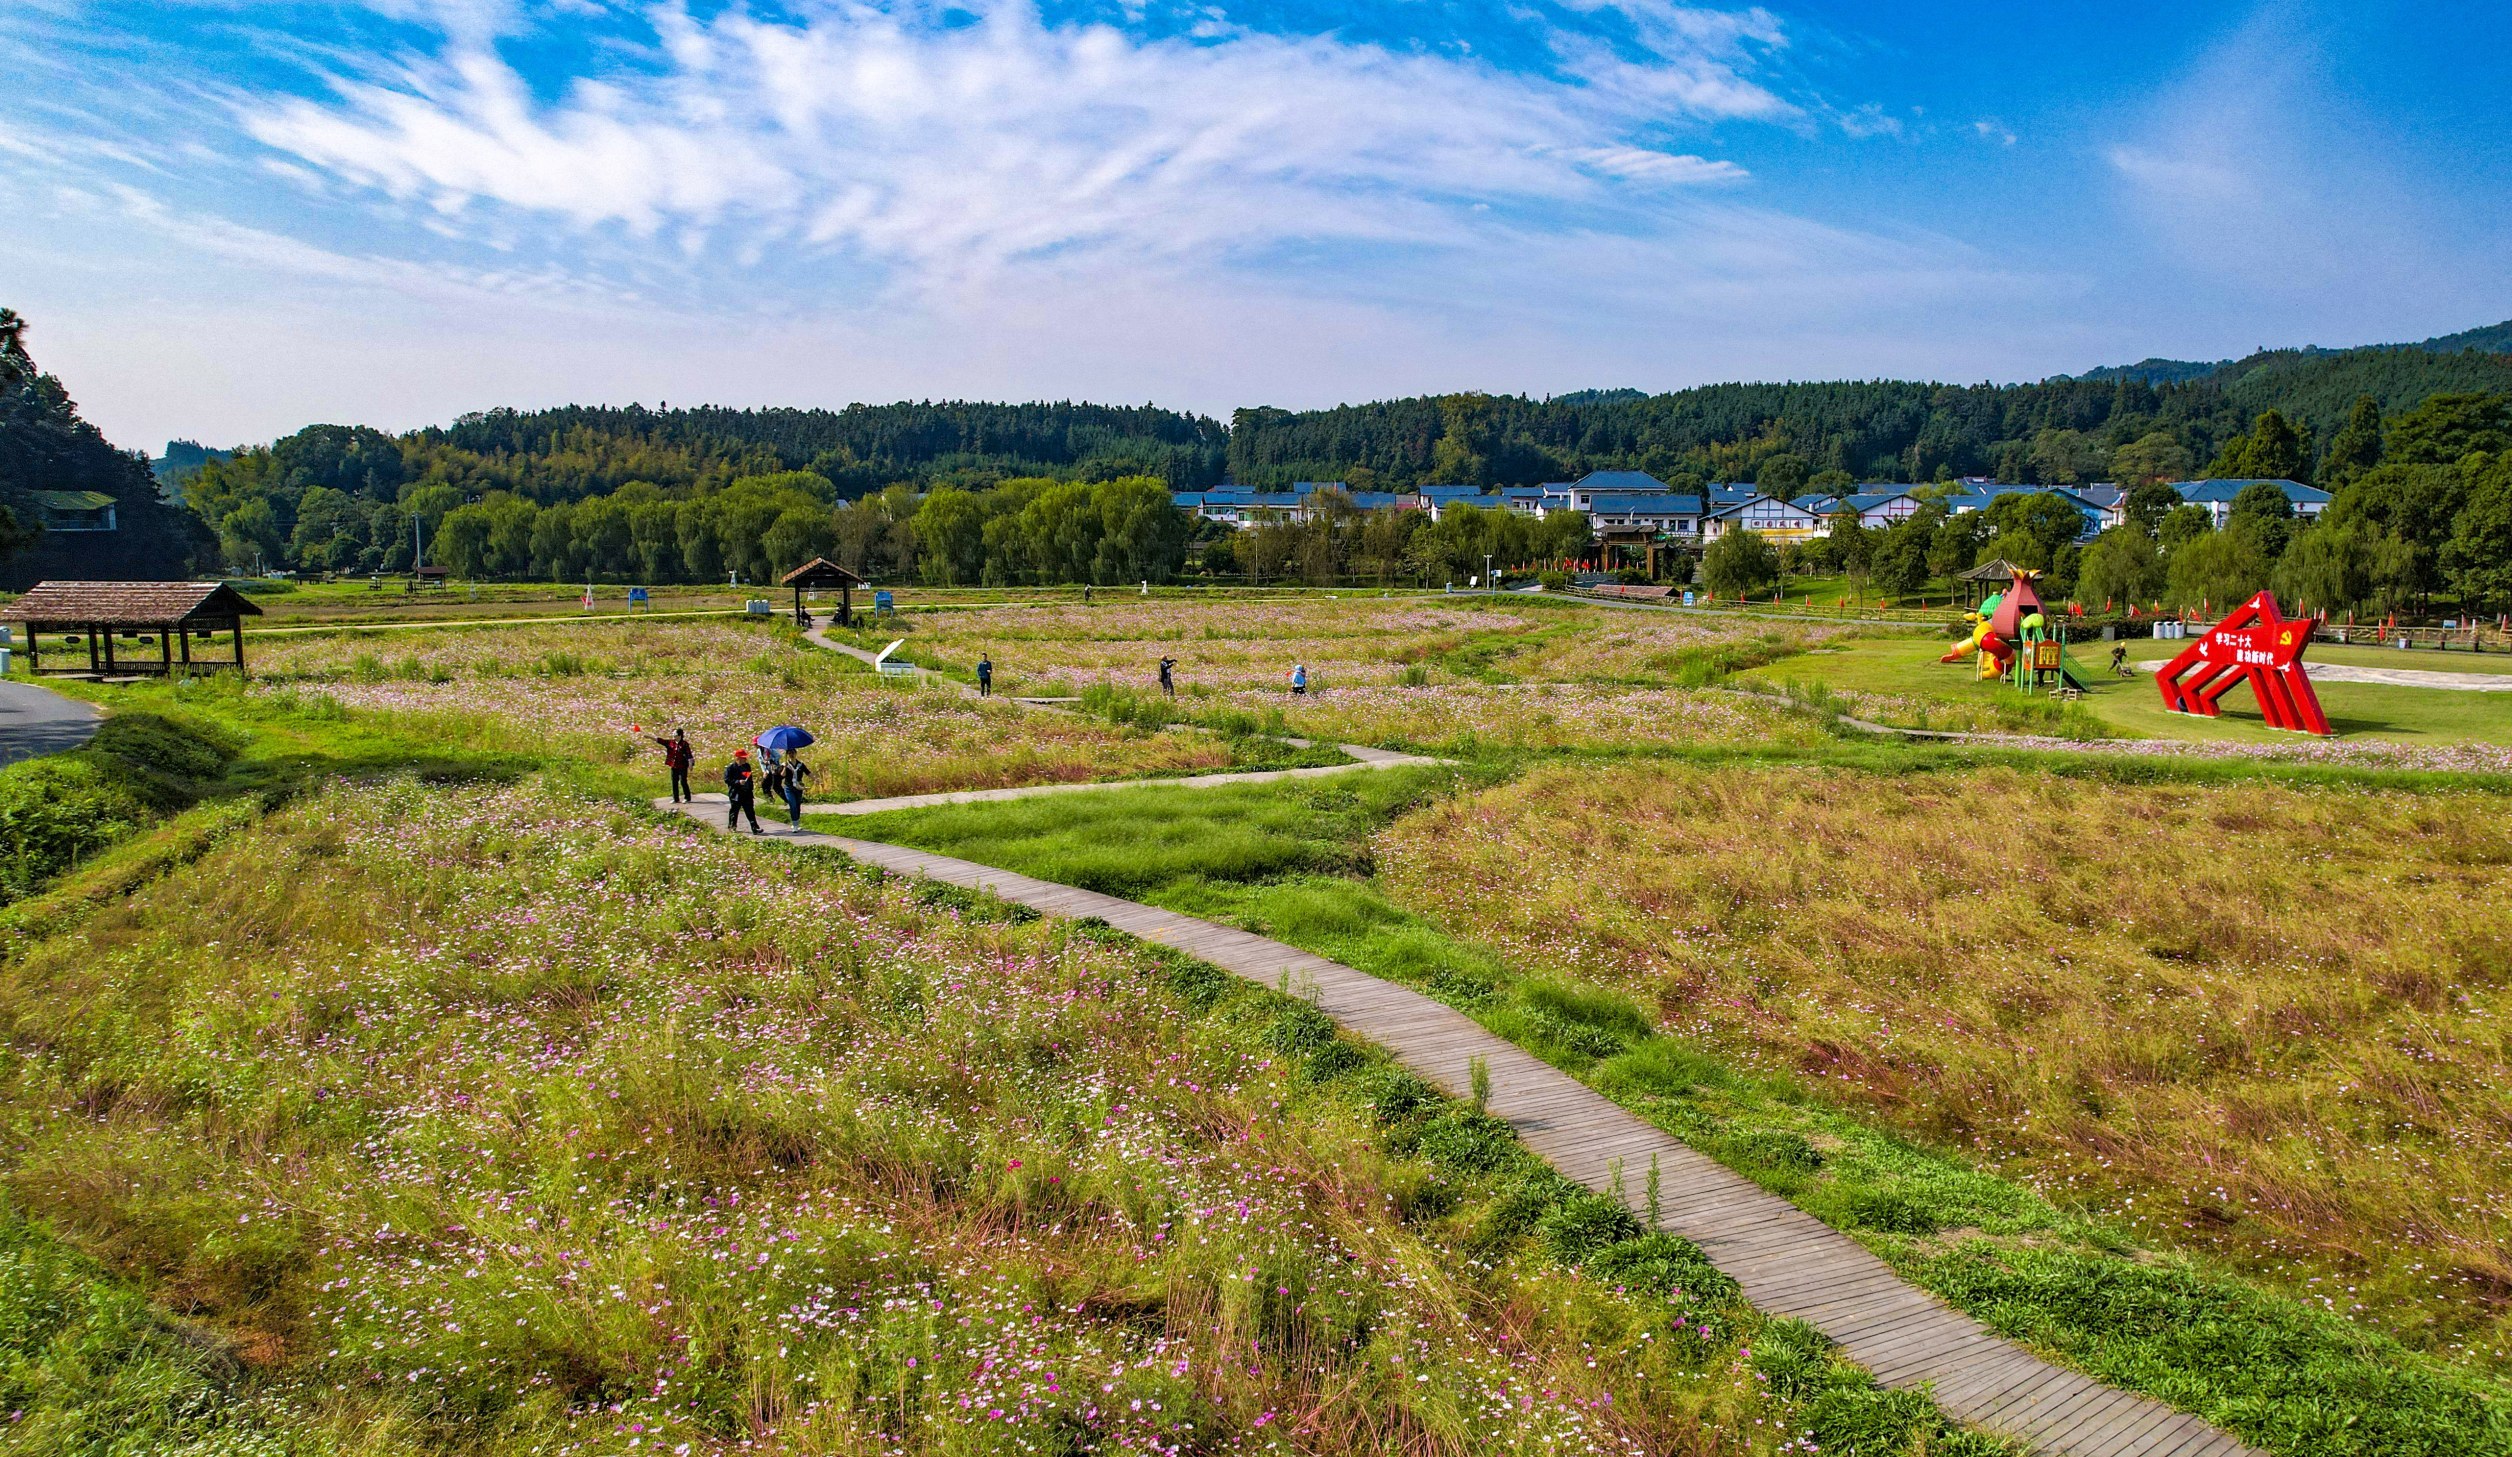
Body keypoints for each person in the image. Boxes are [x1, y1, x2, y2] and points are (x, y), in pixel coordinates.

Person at [723, 749, 762, 834]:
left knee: (750, 811)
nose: (745, 759)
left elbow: (750, 778)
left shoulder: (747, 766)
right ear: (738, 758)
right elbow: (727, 780)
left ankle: (754, 827)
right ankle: (732, 826)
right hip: (736, 793)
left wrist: (751, 788)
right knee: (734, 810)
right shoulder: (731, 768)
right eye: (743, 758)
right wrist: (738, 782)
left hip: (747, 793)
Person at [651, 728, 694, 802]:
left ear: (680, 736)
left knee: (683, 781)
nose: (674, 737)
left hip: (682, 766)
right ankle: (675, 798)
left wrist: (690, 765)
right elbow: (661, 741)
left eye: (675, 735)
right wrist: (649, 737)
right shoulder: (671, 743)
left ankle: (687, 797)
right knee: (674, 782)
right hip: (674, 766)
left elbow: (689, 755)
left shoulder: (684, 744)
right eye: (673, 735)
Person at [779, 755, 812, 825]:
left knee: (797, 805)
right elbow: (782, 775)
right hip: (789, 787)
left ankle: (797, 821)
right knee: (792, 805)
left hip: (798, 787)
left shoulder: (800, 765)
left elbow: (808, 772)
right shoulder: (785, 764)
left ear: (795, 753)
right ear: (788, 755)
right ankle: (794, 824)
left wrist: (815, 779)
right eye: (790, 753)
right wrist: (785, 767)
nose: (791, 754)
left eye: (793, 752)